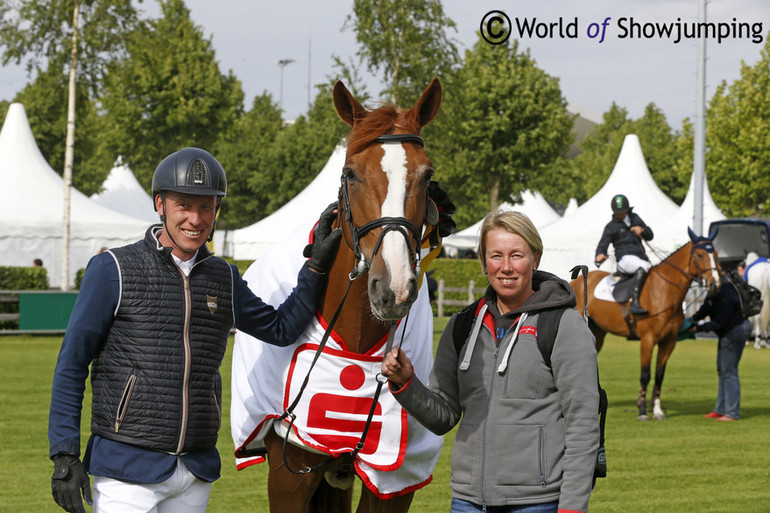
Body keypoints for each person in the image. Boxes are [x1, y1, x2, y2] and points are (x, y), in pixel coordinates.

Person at [48, 147, 341, 513]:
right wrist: (64, 454)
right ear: (160, 204)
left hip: (195, 470)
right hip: (126, 469)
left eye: (207, 206)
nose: (196, 218)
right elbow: (72, 364)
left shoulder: (225, 278)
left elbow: (282, 329)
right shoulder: (112, 269)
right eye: (184, 205)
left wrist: (316, 266)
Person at [382, 210, 600, 513]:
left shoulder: (563, 325)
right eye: (496, 256)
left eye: (517, 255)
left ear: (535, 258)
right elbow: (443, 416)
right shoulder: (462, 325)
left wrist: (573, 507)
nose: (506, 267)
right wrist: (406, 383)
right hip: (468, 501)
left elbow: (583, 425)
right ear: (484, 262)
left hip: (537, 503)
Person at [688, 266, 752, 421]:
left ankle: (731, 413)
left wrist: (698, 328)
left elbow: (720, 322)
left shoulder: (726, 292)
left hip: (735, 330)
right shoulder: (715, 289)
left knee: (729, 371)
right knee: (722, 369)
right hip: (729, 330)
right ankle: (720, 409)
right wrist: (690, 321)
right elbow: (706, 308)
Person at [594, 193, 654, 316]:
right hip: (624, 259)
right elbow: (602, 245)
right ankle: (635, 304)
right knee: (643, 266)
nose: (620, 214)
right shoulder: (611, 227)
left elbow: (650, 235)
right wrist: (599, 255)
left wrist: (642, 231)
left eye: (623, 212)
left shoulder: (635, 218)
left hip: (641, 257)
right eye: (618, 212)